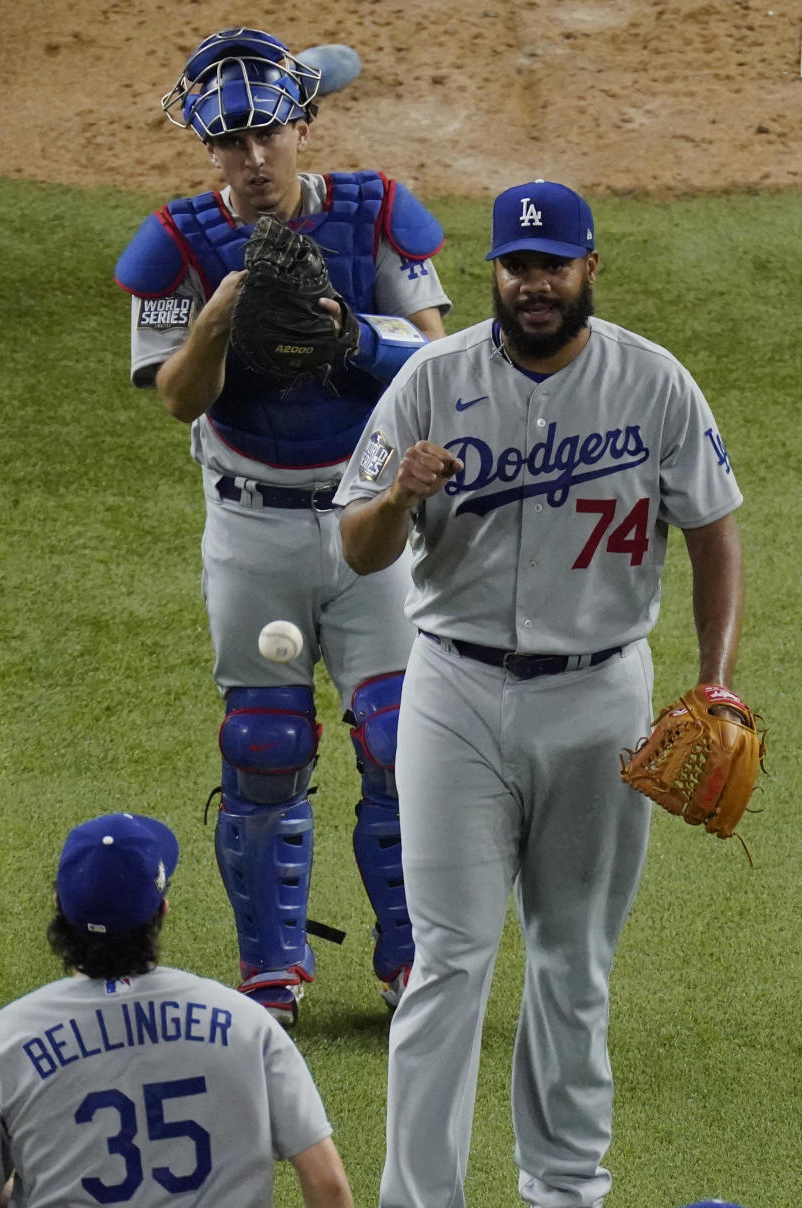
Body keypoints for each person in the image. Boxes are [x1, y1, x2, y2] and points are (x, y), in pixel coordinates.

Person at [335, 179, 745, 1207]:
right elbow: (356, 541)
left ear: (589, 266)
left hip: (601, 695)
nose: (536, 285)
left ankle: (566, 1191)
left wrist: (716, 679)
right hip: (454, 692)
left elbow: (714, 531)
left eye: (554, 264)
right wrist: (399, 495)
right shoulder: (431, 378)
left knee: (574, 962)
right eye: (519, 267)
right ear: (494, 274)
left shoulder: (653, 383)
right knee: (448, 962)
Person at [113, 27, 452, 1026]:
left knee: (399, 743)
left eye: (268, 133)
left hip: (370, 519)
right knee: (263, 747)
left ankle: (409, 962)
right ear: (207, 149)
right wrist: (220, 317)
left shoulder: (377, 212)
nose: (252, 160)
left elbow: (439, 364)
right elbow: (179, 399)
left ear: (303, 126)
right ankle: (274, 974)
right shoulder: (177, 245)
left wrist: (350, 337)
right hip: (252, 530)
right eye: (230, 142)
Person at [0, 812, 354, 1208]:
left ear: (58, 908)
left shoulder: (7, 1040)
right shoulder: (246, 1023)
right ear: (161, 913)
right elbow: (327, 1184)